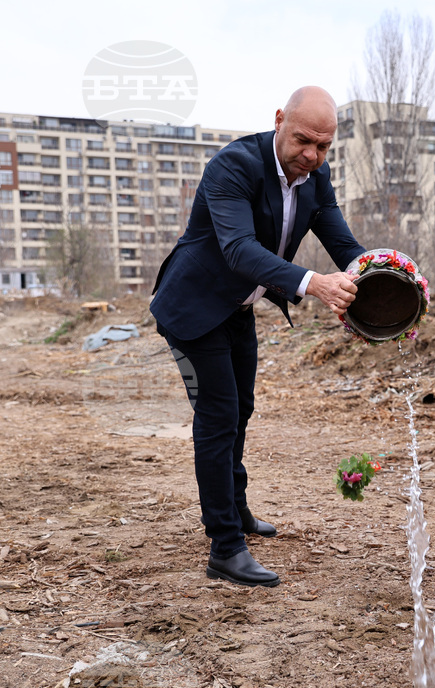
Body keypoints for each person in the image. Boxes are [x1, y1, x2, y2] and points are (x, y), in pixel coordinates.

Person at [150, 86, 365, 587]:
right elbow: (239, 250)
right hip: (192, 305)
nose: (311, 155)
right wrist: (315, 285)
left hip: (236, 307)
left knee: (241, 408)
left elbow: (344, 245)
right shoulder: (233, 165)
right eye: (303, 140)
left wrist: (387, 277)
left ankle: (236, 508)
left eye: (324, 146)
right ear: (278, 121)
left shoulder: (316, 178)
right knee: (219, 415)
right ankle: (225, 546)